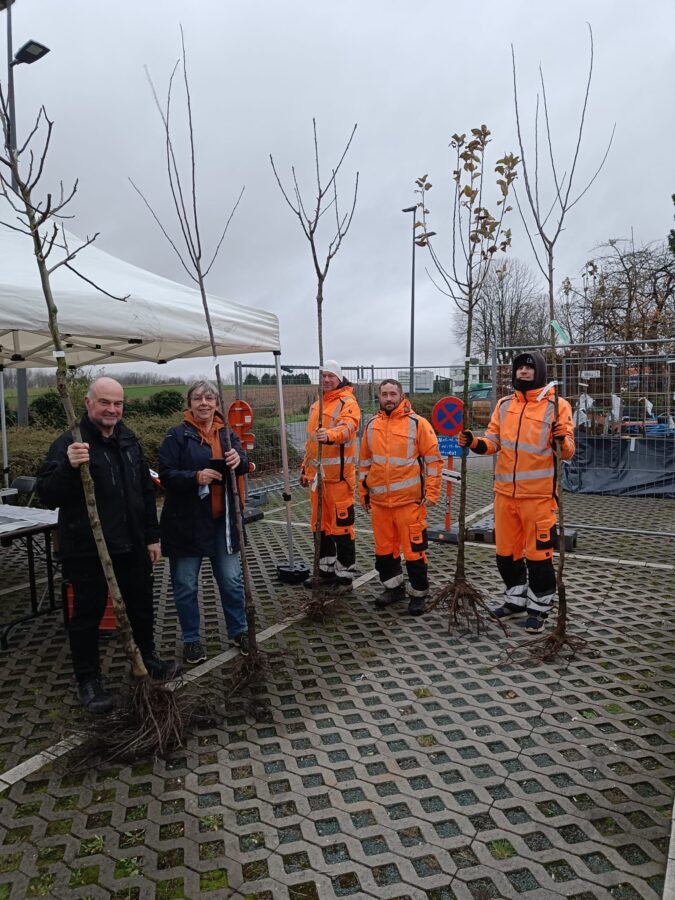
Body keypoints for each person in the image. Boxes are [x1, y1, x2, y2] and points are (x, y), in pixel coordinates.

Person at [37, 376, 178, 715]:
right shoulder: (71, 443)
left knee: (142, 605)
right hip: (88, 549)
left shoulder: (128, 440)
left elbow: (145, 492)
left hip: (131, 545)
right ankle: (89, 680)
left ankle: (147, 658)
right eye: (105, 402)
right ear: (88, 404)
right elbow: (47, 495)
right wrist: (70, 468)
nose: (112, 409)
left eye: (118, 403)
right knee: (86, 615)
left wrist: (152, 536)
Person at [458, 350, 575, 634]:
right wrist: (474, 443)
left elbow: (568, 453)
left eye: (529, 368)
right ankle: (515, 600)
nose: (523, 372)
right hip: (504, 495)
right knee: (505, 553)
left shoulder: (557, 405)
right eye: (519, 368)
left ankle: (539, 609)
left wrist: (561, 438)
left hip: (538, 497)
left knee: (538, 557)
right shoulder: (504, 404)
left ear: (541, 372)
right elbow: (493, 441)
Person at [158, 380, 249, 665]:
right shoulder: (176, 436)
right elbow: (166, 474)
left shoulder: (227, 434)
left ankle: (240, 630)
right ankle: (191, 640)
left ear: (217, 404)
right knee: (185, 585)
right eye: (198, 398)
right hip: (186, 524)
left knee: (232, 580)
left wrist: (239, 458)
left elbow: (245, 463)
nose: (204, 403)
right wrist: (195, 477)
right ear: (190, 403)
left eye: (209, 398)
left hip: (222, 522)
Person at [359, 379, 442, 615]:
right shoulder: (371, 425)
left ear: (401, 395)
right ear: (379, 396)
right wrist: (363, 493)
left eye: (392, 393)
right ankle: (393, 588)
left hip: (409, 503)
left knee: (414, 551)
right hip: (380, 504)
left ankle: (419, 594)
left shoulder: (418, 424)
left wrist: (432, 492)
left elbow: (433, 461)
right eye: (384, 394)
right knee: (384, 551)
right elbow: (364, 462)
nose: (388, 398)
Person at [300, 360, 361, 590]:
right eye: (323, 376)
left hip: (338, 479)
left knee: (342, 527)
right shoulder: (317, 405)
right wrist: (305, 470)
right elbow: (310, 444)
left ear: (339, 378)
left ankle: (344, 576)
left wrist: (331, 435)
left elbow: (348, 428)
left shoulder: (348, 403)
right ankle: (325, 571)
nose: (326, 380)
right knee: (320, 526)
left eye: (331, 376)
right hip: (318, 480)